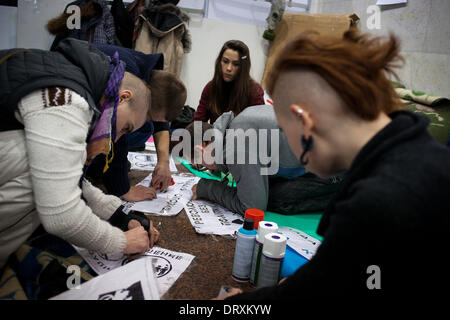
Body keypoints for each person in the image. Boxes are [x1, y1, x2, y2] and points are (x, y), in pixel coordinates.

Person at [217, 30, 450, 298]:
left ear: (304, 121)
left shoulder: (375, 202)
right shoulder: (412, 147)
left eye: (283, 129)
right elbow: (332, 275)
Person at [0, 39, 160, 269]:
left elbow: (67, 175)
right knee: (38, 179)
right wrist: (121, 242)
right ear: (123, 97)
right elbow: (61, 215)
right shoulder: (69, 101)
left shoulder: (75, 80)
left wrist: (121, 217)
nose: (115, 140)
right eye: (125, 128)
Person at [179, 105, 342, 216]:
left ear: (201, 149)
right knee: (261, 188)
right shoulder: (235, 125)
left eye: (200, 166)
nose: (208, 170)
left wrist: (207, 188)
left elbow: (253, 208)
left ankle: (346, 191)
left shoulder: (235, 147)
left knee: (274, 198)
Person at [86, 43, 187, 201]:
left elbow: (160, 122)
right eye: (148, 116)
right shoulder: (128, 73)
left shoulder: (151, 79)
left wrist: (164, 162)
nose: (147, 121)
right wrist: (123, 190)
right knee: (138, 130)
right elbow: (116, 135)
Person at [193, 40, 265, 124]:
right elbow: (198, 122)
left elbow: (259, 127)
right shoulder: (210, 87)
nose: (229, 68)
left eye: (236, 64)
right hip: (215, 135)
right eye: (225, 61)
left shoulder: (254, 91)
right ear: (219, 61)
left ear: (243, 67)